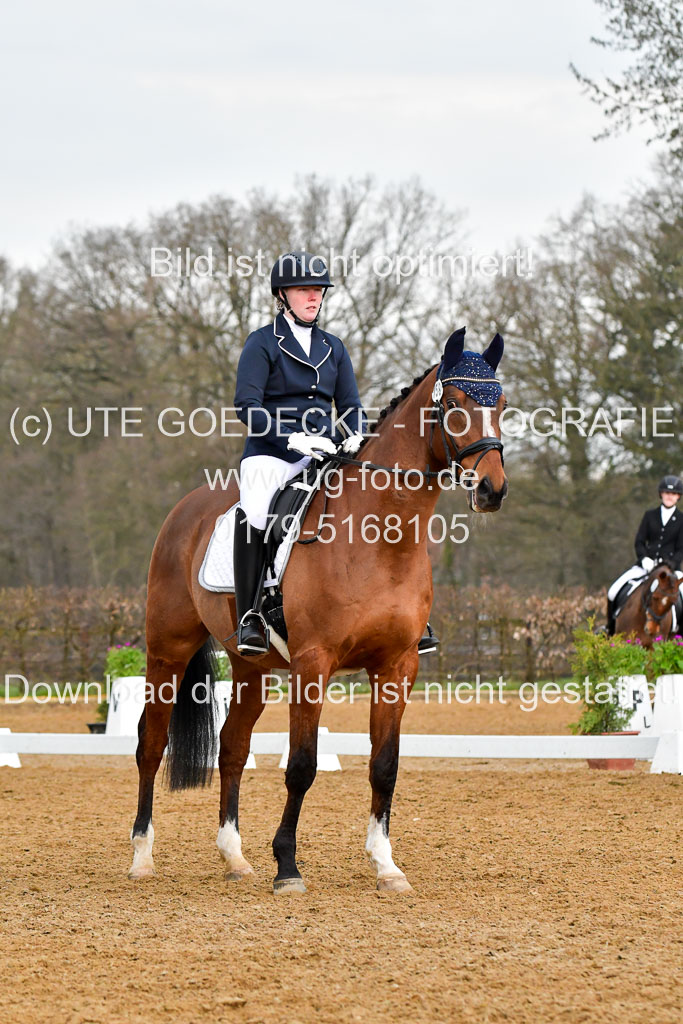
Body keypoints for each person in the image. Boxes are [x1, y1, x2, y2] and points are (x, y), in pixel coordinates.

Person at [232, 251, 366, 654]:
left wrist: (356, 437)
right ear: (282, 294)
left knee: (368, 503)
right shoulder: (262, 343)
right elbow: (247, 406)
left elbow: (351, 407)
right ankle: (250, 616)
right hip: (271, 452)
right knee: (256, 511)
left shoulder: (334, 347)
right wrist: (290, 439)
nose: (313, 297)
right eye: (304, 289)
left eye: (318, 290)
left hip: (323, 452)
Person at [606, 474, 683, 633]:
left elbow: (680, 549)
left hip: (670, 572)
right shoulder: (650, 516)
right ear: (661, 494)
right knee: (613, 591)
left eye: (673, 494)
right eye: (667, 493)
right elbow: (639, 541)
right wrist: (644, 559)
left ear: (678, 497)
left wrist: (670, 565)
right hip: (645, 567)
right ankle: (610, 629)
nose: (670, 496)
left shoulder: (681, 519)